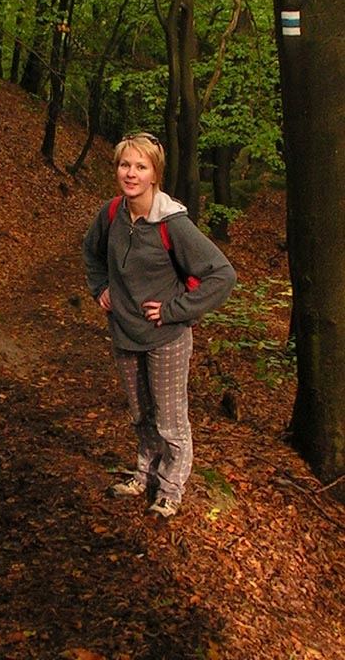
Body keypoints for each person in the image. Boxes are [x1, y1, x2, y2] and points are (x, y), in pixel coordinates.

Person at [82, 132, 236, 519]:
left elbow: (223, 275)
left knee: (170, 420)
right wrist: (100, 287)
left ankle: (170, 488)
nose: (130, 174)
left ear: (155, 174)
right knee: (140, 414)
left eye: (140, 167)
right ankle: (145, 472)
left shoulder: (173, 223)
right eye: (124, 165)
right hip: (125, 333)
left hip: (166, 337)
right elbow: (90, 250)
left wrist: (175, 309)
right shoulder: (112, 212)